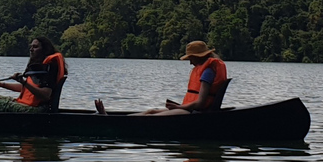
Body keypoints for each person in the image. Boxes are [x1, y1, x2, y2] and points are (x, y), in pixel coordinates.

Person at [95, 40, 227, 116]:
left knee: (154, 117)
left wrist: (178, 107)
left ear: (198, 57)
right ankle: (110, 118)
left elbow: (200, 103)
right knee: (151, 111)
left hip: (195, 112)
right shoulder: (205, 69)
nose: (190, 62)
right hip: (190, 109)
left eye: (191, 58)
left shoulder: (208, 72)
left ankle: (110, 120)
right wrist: (178, 106)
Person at [0, 36, 67, 113]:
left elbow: (45, 95)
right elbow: (28, 90)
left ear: (44, 50)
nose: (31, 50)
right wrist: (1, 85)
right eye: (31, 47)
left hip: (37, 110)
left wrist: (23, 82)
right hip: (27, 105)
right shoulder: (38, 68)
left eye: (35, 47)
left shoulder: (50, 68)